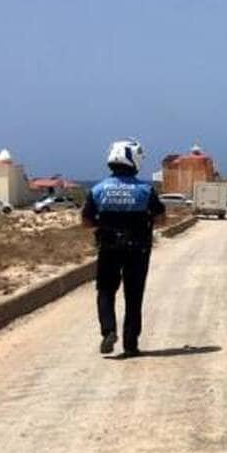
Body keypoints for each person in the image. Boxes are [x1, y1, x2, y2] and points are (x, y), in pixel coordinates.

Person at [81, 139, 166, 356]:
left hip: (108, 248)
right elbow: (161, 218)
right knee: (133, 296)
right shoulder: (145, 190)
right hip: (138, 250)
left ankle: (108, 330)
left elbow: (86, 221)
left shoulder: (97, 190)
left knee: (106, 291)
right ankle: (130, 344)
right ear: (134, 160)